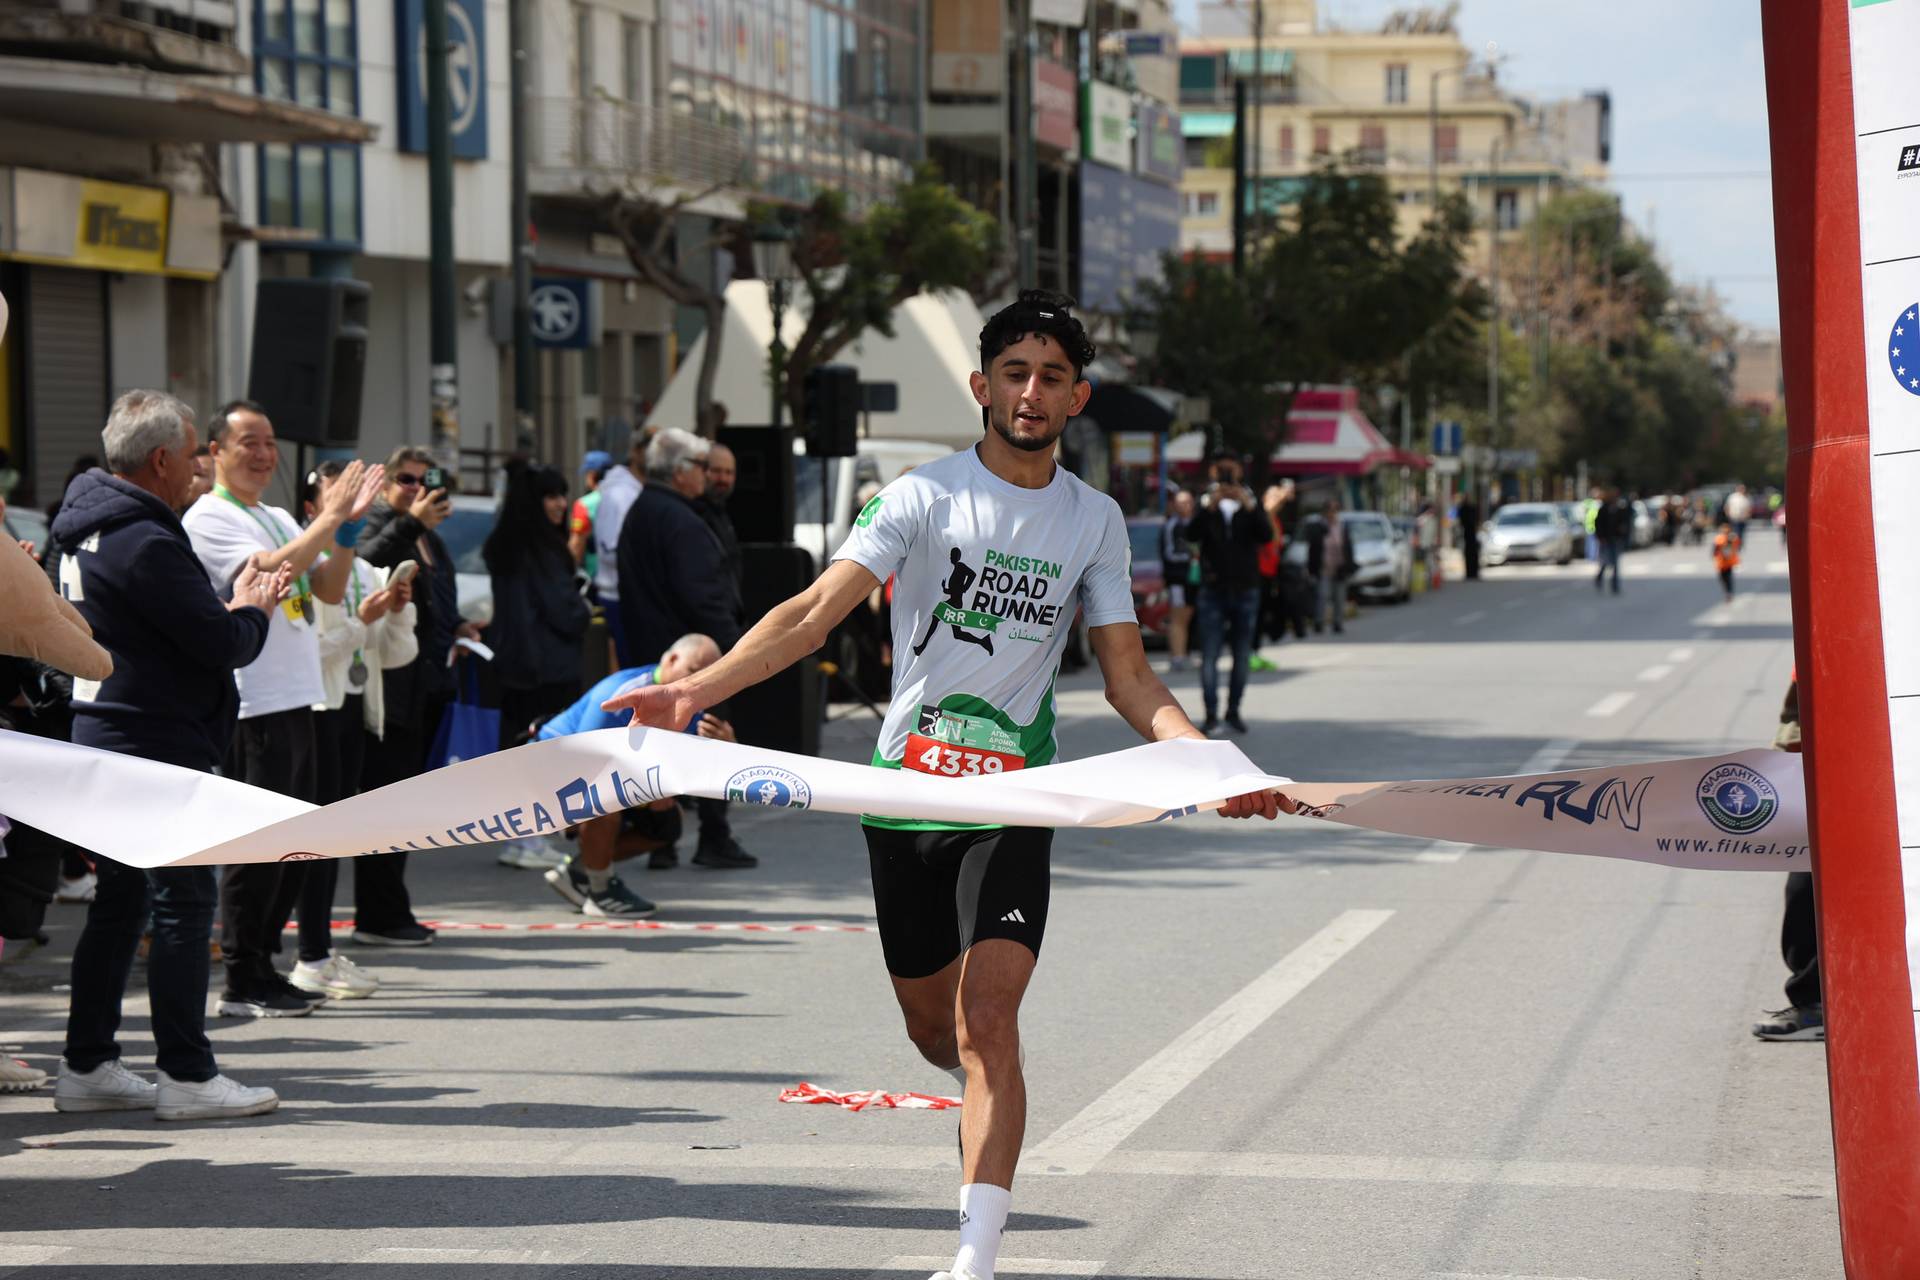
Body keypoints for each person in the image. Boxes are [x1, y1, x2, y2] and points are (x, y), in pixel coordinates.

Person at [604, 289, 1281, 1280]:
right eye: (1015, 372)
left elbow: (1130, 675)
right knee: (936, 1032)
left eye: (1052, 376)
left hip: (1013, 800)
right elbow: (811, 614)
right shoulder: (921, 497)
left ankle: (975, 1253)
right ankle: (976, 1096)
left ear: (1078, 397)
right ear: (982, 386)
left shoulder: (1094, 521)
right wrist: (692, 691)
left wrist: (1199, 751)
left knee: (989, 1019)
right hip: (904, 799)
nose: (1031, 392)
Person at [49, 389, 287, 1116]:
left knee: (122, 905)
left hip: (108, 736)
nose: (200, 467)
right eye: (192, 455)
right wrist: (252, 606)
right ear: (159, 460)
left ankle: (88, 1063)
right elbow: (219, 642)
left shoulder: (87, 529)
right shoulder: (144, 540)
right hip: (151, 743)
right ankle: (187, 1075)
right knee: (182, 904)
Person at [183, 400, 384, 1016]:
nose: (264, 454)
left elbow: (325, 586)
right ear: (215, 451)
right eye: (249, 442)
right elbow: (268, 569)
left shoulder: (273, 515)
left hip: (301, 696)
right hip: (255, 701)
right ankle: (242, 976)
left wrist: (344, 532)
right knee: (257, 844)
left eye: (270, 442)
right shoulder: (208, 516)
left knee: (298, 842)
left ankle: (266, 963)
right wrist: (329, 517)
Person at [289, 462, 418, 999]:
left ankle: (317, 953)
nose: (353, 504)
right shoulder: (299, 567)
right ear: (311, 508)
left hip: (356, 712)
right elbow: (306, 655)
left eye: (359, 493)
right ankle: (308, 955)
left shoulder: (362, 569)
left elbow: (393, 654)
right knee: (311, 841)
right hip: (314, 713)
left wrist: (397, 612)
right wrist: (360, 622)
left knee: (335, 839)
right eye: (339, 494)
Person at [616, 427, 754, 869]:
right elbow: (705, 596)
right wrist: (736, 655)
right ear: (679, 472)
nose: (707, 475)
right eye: (700, 466)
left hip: (656, 653)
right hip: (695, 658)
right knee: (710, 739)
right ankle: (713, 834)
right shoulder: (678, 519)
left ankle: (662, 840)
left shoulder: (644, 510)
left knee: (659, 749)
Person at [353, 447, 474, 946]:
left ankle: (390, 908)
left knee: (406, 806)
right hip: (389, 690)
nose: (417, 489)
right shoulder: (383, 523)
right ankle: (378, 915)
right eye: (406, 479)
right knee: (386, 805)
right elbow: (363, 562)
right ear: (385, 483)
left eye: (427, 480)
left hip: (425, 686)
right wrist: (411, 522)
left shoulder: (430, 537)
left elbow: (438, 601)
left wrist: (459, 627)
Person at [534, 634, 735, 917]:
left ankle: (579, 872)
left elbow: (701, 775)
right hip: (549, 768)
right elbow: (585, 759)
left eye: (707, 675)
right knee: (605, 795)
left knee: (667, 823)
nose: (699, 681)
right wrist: (649, 788)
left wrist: (727, 750)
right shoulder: (623, 691)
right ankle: (600, 889)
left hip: (605, 772)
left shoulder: (694, 704)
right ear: (671, 659)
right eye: (693, 671)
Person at [485, 462, 589, 749]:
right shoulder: (543, 551)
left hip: (513, 669)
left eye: (563, 495)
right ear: (534, 501)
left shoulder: (505, 545)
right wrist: (584, 609)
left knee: (514, 752)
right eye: (552, 496)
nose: (562, 504)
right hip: (549, 670)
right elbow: (567, 612)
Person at [1754, 675, 1820, 1040]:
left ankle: (1817, 1002)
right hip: (1821, 778)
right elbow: (1795, 716)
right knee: (1804, 890)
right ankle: (1815, 1004)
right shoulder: (1817, 655)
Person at [1190, 457, 1273, 735]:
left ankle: (1234, 710)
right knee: (1210, 654)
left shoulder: (1249, 500)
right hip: (1212, 590)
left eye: (1231, 477)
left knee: (1241, 653)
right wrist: (1209, 507)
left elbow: (1266, 535)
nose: (1227, 484)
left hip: (1246, 589)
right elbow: (1191, 533)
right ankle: (1211, 713)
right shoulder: (1206, 502)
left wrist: (1249, 506)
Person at [591, 428, 647, 666]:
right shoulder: (619, 494)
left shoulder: (632, 490)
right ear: (636, 452)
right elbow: (610, 549)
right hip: (618, 595)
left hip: (628, 594)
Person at [1159, 490, 1196, 670]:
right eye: (1181, 503)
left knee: (1188, 617)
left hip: (1193, 579)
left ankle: (1185, 653)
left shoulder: (1194, 523)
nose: (1184, 506)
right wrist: (1192, 556)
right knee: (1177, 618)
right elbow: (1169, 553)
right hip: (1177, 580)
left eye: (1187, 502)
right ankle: (1177, 656)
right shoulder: (1171, 526)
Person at [699, 441, 743, 586]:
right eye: (716, 471)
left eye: (729, 472)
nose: (723, 479)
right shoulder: (693, 514)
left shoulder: (722, 512)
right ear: (703, 471)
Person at [1305, 498, 1347, 634]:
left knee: (1339, 597)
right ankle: (1319, 622)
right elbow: (1312, 549)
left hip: (1339, 567)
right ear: (1325, 512)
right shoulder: (1319, 527)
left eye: (1335, 510)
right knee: (1322, 595)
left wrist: (1349, 564)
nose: (1332, 513)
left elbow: (1347, 547)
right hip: (1323, 567)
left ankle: (1337, 622)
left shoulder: (1341, 527)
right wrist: (1311, 569)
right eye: (1330, 510)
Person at [567, 450, 611, 575]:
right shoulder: (627, 498)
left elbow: (576, 545)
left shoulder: (584, 504)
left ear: (592, 474)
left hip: (596, 577)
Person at [1592, 487, 1628, 595]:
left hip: (1616, 539)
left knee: (1615, 563)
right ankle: (1600, 577)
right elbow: (1598, 524)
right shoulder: (1604, 509)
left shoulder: (1619, 508)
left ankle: (1614, 585)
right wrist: (1600, 537)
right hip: (1606, 539)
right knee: (1605, 561)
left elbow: (1623, 523)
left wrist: (1622, 533)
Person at [1713, 520, 1741, 602]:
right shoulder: (1719, 538)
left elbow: (1737, 545)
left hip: (1728, 562)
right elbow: (1715, 550)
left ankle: (1729, 592)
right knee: (1723, 578)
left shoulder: (1732, 537)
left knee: (1728, 578)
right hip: (1722, 562)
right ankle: (1727, 592)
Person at [1458, 493, 1481, 579]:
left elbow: (1476, 520)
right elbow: (1462, 521)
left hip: (1471, 534)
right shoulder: (1463, 508)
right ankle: (1470, 573)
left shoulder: (1472, 508)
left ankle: (1473, 572)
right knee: (1469, 554)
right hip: (1467, 534)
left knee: (1473, 554)